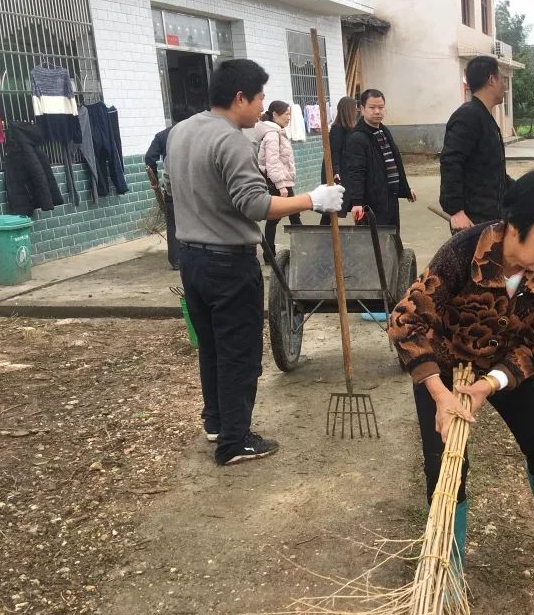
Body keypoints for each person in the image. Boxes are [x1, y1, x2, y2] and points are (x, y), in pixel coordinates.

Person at [388, 169, 534, 577]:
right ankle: (447, 559)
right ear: (515, 225)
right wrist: (440, 393)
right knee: (446, 462)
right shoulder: (463, 253)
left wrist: (491, 383)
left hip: (505, 368)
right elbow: (406, 321)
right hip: (446, 368)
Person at [167, 59, 343, 465]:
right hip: (228, 264)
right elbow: (254, 204)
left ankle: (216, 421)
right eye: (260, 97)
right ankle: (234, 440)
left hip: (192, 260)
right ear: (240, 97)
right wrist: (312, 199)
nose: (263, 108)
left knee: (211, 347)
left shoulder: (182, 131)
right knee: (239, 353)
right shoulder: (230, 140)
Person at [439, 55, 514, 232]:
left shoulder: (485, 118)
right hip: (473, 220)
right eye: (501, 78)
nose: (504, 86)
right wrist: (457, 211)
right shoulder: (468, 116)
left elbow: (492, 172)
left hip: (491, 216)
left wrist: (527, 190)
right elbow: (450, 162)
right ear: (491, 80)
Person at [342, 89, 415, 228]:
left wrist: (405, 189)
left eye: (381, 107)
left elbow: (393, 162)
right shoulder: (357, 138)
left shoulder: (383, 130)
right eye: (372, 107)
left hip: (390, 198)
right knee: (374, 244)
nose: (377, 111)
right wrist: (357, 203)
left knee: (392, 240)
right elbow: (356, 172)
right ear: (362, 109)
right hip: (371, 203)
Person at [254, 101, 299, 263]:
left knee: (289, 216)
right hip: (279, 182)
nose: (289, 117)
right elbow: (272, 163)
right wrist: (281, 185)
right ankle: (271, 254)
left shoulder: (278, 132)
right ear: (275, 114)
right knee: (279, 217)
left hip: (283, 181)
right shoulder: (272, 134)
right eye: (286, 114)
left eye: (289, 114)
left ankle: (270, 254)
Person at [319, 95, 359, 225]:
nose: (357, 110)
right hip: (339, 172)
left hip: (349, 171)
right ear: (349, 110)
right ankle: (322, 234)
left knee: (357, 203)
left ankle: (362, 231)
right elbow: (333, 152)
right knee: (332, 206)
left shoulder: (353, 128)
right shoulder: (337, 129)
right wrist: (335, 171)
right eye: (355, 108)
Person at [145, 125, 178, 269]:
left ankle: (176, 260)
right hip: (194, 185)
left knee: (173, 223)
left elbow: (149, 157)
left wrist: (155, 180)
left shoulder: (162, 135)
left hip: (172, 185)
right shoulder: (196, 131)